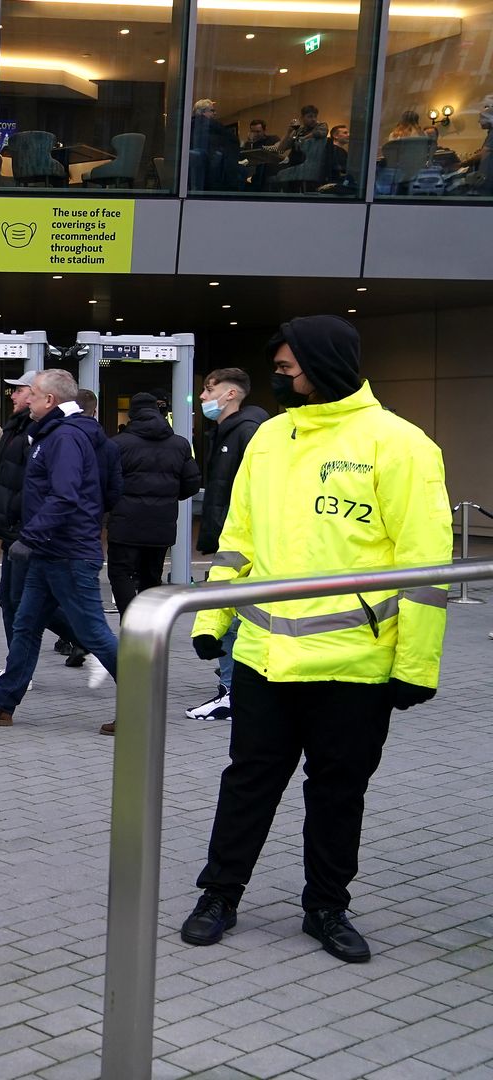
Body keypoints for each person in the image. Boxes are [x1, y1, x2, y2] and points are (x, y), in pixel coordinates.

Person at [178, 315, 451, 965]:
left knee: (337, 792)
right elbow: (237, 537)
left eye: (288, 368)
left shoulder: (401, 445)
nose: (281, 378)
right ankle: (219, 892)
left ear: (325, 365)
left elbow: (426, 565)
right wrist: (212, 620)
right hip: (265, 659)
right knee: (247, 782)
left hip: (354, 666)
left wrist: (416, 665)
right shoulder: (271, 438)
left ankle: (326, 906)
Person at [0, 369, 121, 732]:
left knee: (93, 632)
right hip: (49, 552)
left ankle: (143, 702)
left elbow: (65, 495)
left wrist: (30, 537)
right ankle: (1, 703)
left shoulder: (64, 438)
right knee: (26, 624)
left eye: (33, 394)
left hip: (67, 553)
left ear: (50, 400)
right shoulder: (52, 434)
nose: (25, 399)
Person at [0, 371, 85, 689]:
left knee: (24, 603)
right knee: (16, 601)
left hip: (28, 532)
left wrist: (26, 525)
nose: (15, 396)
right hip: (16, 530)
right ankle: (18, 674)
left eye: (21, 391)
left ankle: (82, 645)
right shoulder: (19, 427)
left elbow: (40, 485)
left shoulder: (43, 433)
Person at [186, 368, 271, 722]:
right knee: (231, 613)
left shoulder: (248, 432)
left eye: (210, 389)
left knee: (234, 615)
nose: (203, 397)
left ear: (232, 394)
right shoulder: (227, 432)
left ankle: (233, 691)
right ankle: (233, 686)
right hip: (230, 537)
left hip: (242, 542)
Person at [106, 392, 201, 617]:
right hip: (162, 523)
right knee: (151, 576)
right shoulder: (180, 444)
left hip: (125, 523)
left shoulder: (118, 444)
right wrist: (167, 496)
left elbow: (105, 483)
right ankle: (146, 624)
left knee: (121, 572)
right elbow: (192, 484)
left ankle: (130, 621)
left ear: (132, 414)